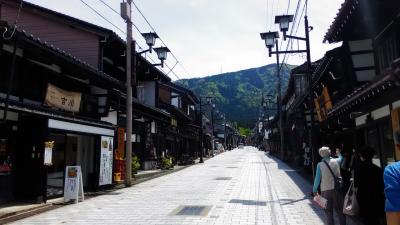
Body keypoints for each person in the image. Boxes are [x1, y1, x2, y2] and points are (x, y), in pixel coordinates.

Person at [313, 146, 346, 225]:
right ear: (330, 153)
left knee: (328, 211)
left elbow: (317, 179)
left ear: (321, 155)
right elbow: (341, 157)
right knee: (340, 211)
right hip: (337, 189)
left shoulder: (319, 165)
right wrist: (339, 153)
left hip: (325, 191)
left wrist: (314, 190)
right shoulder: (337, 161)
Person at [353, 147, 385, 225]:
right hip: (376, 195)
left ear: (362, 156)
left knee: (366, 219)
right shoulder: (377, 168)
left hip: (363, 196)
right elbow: (381, 183)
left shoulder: (358, 168)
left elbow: (356, 183)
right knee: (376, 218)